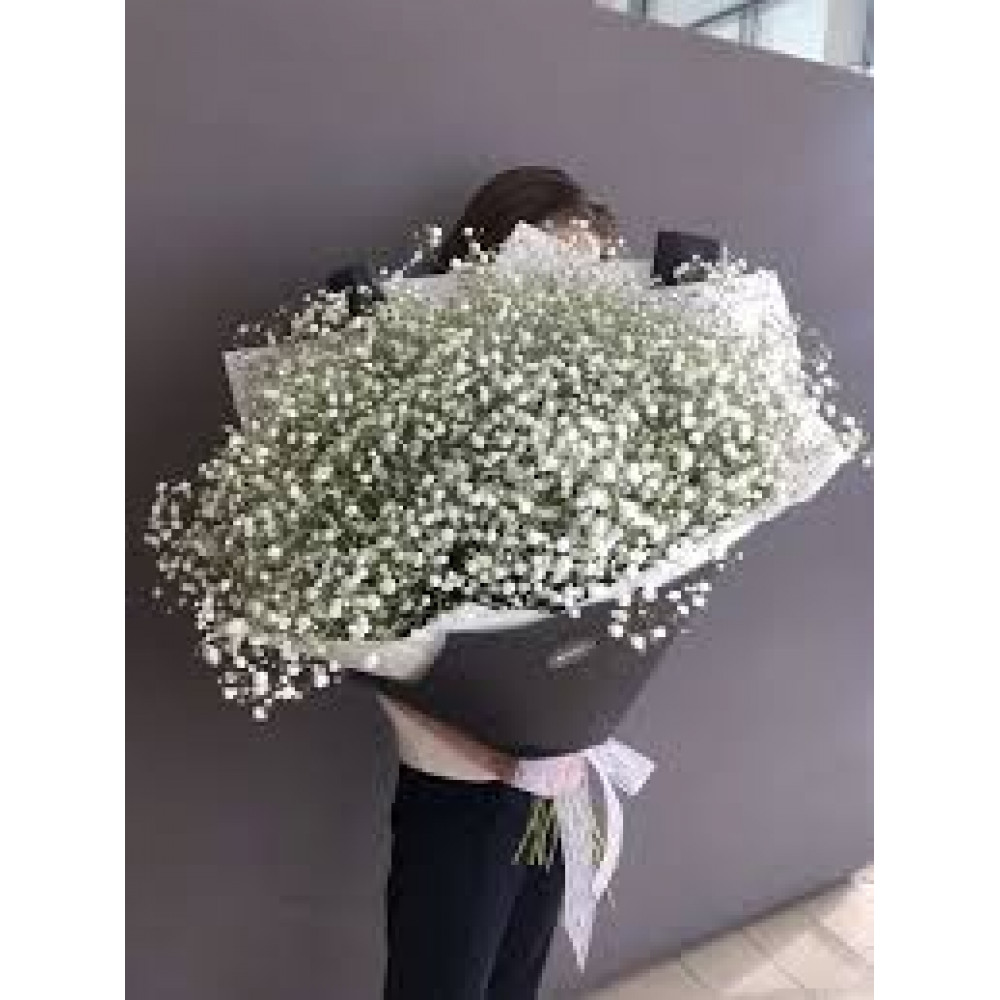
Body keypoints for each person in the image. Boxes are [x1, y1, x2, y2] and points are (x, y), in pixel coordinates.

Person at [329, 166, 619, 999]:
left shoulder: (592, 412)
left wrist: (575, 701)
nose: (566, 297)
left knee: (518, 972)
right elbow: (350, 598)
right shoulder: (403, 401)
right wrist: (461, 720)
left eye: (589, 276)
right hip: (458, 775)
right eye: (550, 267)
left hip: (555, 770)